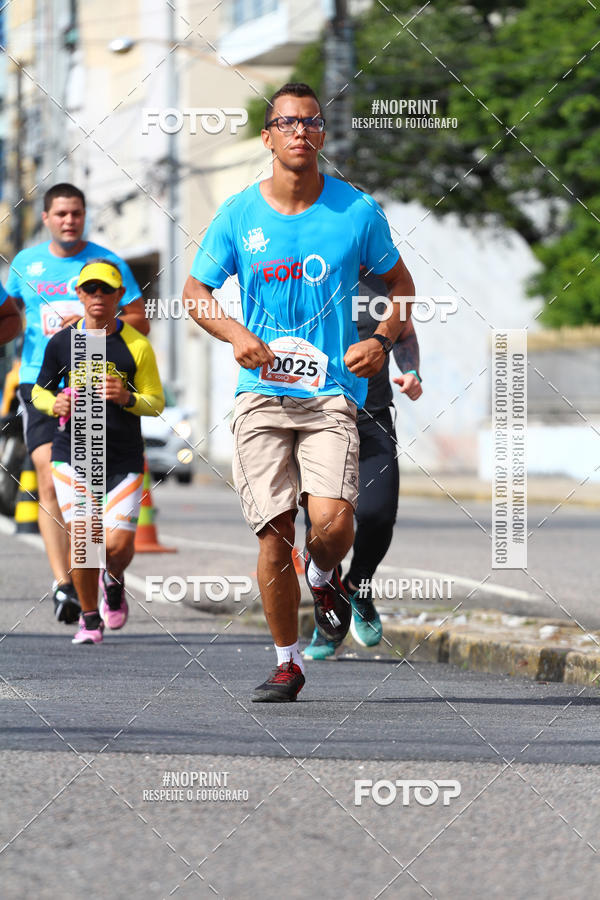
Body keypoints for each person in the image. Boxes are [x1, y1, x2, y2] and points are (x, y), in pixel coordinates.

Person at [182, 82, 415, 702]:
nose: (300, 132)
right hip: (260, 395)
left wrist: (384, 341)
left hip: (332, 393)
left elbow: (402, 285)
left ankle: (322, 572)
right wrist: (233, 332)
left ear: (322, 134)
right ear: (268, 137)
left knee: (335, 523)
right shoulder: (237, 214)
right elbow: (194, 293)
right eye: (287, 123)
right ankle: (288, 662)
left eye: (310, 122)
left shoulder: (356, 211)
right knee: (273, 534)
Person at [6, 183, 148, 624]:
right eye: (61, 213)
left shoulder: (107, 263)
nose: (69, 220)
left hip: (96, 382)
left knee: (93, 492)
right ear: (46, 218)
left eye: (77, 213)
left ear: (85, 216)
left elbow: (140, 317)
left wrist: (92, 321)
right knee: (48, 477)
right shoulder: (26, 264)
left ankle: (104, 571)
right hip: (41, 381)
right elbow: (11, 315)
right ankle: (64, 584)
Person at [31, 259, 164, 644]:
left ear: (121, 296)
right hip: (73, 453)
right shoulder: (63, 342)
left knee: (118, 547)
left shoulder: (136, 344)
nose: (98, 297)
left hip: (122, 457)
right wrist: (52, 404)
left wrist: (127, 397)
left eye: (106, 289)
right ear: (79, 294)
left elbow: (156, 401)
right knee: (85, 537)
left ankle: (114, 579)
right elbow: (40, 389)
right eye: (90, 289)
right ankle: (89, 618)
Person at [304, 267, 423, 659]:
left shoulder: (384, 283)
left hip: (373, 418)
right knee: (323, 529)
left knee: (377, 515)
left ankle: (359, 588)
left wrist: (410, 372)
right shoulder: (306, 274)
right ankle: (328, 620)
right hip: (317, 419)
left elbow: (403, 334)